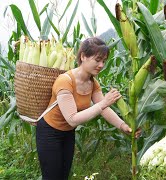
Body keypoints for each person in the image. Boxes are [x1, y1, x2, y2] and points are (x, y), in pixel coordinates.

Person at [36, 37, 141, 180]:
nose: (101, 65)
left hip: (67, 133)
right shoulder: (65, 81)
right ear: (83, 56)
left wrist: (123, 126)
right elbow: (72, 119)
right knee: (52, 176)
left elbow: (104, 110)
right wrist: (104, 103)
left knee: (63, 175)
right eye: (97, 60)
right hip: (49, 132)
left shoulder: (92, 83)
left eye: (104, 61)